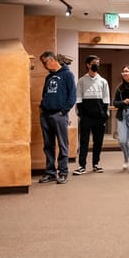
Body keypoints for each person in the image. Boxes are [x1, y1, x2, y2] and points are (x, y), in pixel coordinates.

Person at [37, 52, 76, 184]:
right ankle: (50, 173)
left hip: (59, 115)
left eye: (45, 62)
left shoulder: (67, 75)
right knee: (48, 146)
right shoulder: (49, 77)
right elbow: (45, 94)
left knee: (63, 145)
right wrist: (42, 107)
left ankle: (63, 172)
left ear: (53, 60)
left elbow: (72, 97)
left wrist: (62, 112)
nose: (44, 66)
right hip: (45, 115)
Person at [74, 55, 110, 174]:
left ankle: (96, 164)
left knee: (98, 142)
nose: (97, 65)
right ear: (88, 65)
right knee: (84, 141)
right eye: (94, 63)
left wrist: (105, 115)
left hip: (99, 117)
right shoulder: (81, 80)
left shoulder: (103, 81)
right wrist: (82, 115)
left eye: (98, 63)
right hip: (86, 117)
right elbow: (78, 99)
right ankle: (81, 166)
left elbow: (106, 99)